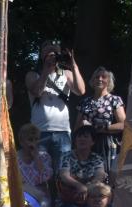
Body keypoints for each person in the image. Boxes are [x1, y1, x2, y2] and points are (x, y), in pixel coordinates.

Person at [26, 41, 85, 172]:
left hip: (62, 131)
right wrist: (46, 71)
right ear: (42, 57)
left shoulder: (66, 74)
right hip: (39, 131)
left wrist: (73, 64)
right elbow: (37, 92)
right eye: (49, 55)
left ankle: (60, 193)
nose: (52, 58)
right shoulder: (33, 75)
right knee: (41, 172)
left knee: (62, 172)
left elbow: (81, 91)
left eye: (55, 55)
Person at [57, 125, 107, 207]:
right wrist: (79, 186)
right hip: (68, 198)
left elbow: (100, 175)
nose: (81, 139)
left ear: (93, 142)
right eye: (79, 136)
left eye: (85, 137)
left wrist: (87, 188)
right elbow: (64, 175)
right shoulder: (67, 156)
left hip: (89, 198)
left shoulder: (97, 158)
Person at [77, 67, 126, 171]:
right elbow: (77, 127)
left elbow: (124, 124)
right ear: (92, 81)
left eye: (103, 77)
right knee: (87, 175)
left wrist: (101, 128)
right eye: (96, 77)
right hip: (87, 145)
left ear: (109, 81)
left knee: (105, 173)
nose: (99, 79)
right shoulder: (85, 102)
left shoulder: (114, 100)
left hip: (106, 144)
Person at [17, 122, 54, 207]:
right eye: (30, 140)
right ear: (21, 141)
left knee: (44, 205)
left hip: (41, 195)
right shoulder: (14, 158)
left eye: (36, 139)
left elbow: (45, 177)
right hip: (22, 194)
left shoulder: (44, 157)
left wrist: (36, 157)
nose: (33, 143)